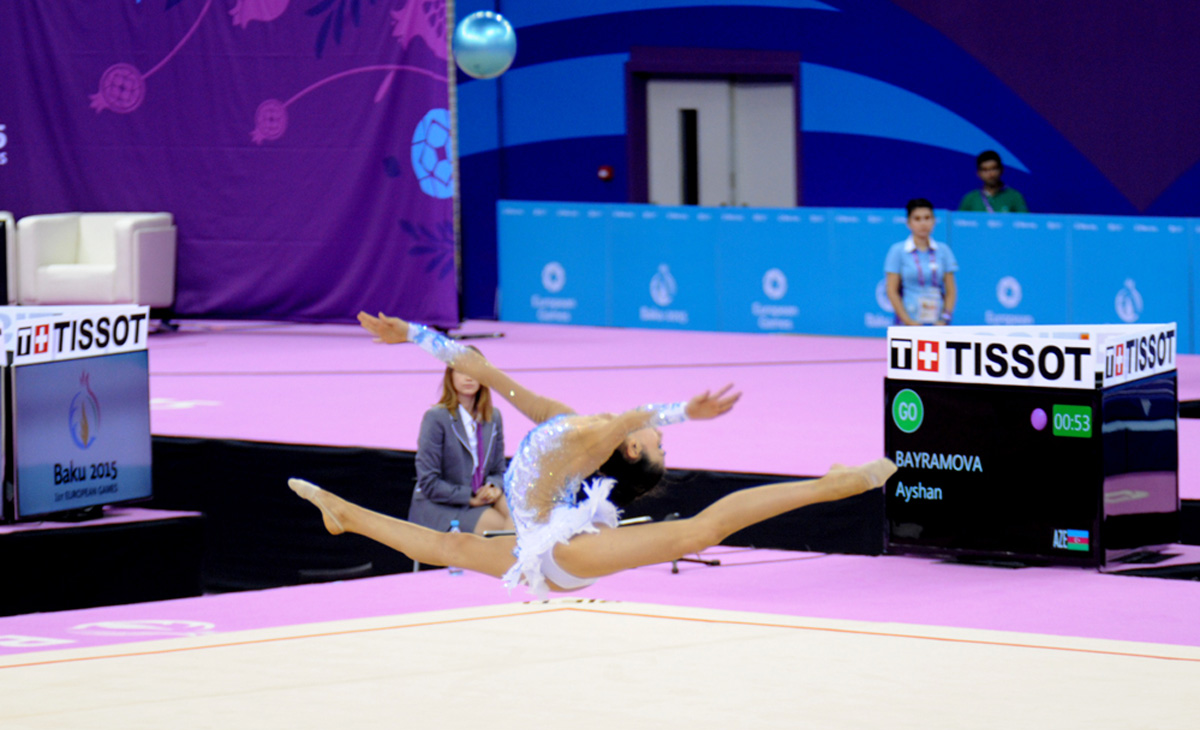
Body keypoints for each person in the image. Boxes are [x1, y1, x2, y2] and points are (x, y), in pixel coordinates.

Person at [289, 313, 897, 597]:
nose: (657, 437)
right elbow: (483, 370)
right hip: (539, 546)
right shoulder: (563, 419)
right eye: (663, 440)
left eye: (657, 442)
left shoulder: (598, 435)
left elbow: (633, 416)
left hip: (559, 554)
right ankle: (345, 515)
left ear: (629, 449)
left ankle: (833, 483)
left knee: (701, 531)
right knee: (447, 547)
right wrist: (413, 336)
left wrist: (684, 412)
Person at [408, 350, 514, 535]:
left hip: (480, 497)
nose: (469, 378)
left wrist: (493, 487)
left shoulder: (493, 417)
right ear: (450, 375)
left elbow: (499, 469)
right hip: (444, 505)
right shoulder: (436, 418)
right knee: (501, 529)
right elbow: (429, 482)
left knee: (521, 517)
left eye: (474, 371)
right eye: (462, 371)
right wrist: (469, 498)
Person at [884, 198, 959, 326]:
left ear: (934, 221)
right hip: (909, 321)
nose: (923, 223)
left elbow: (951, 290)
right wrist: (908, 321)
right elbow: (892, 290)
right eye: (917, 219)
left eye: (927, 218)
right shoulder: (898, 251)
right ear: (908, 223)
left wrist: (945, 319)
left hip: (937, 323)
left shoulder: (943, 250)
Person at [957, 150, 1029, 213]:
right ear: (978, 173)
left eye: (994, 168)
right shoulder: (970, 199)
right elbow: (958, 222)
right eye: (985, 170)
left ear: (1001, 170)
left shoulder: (1015, 197)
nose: (990, 174)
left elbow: (1024, 222)